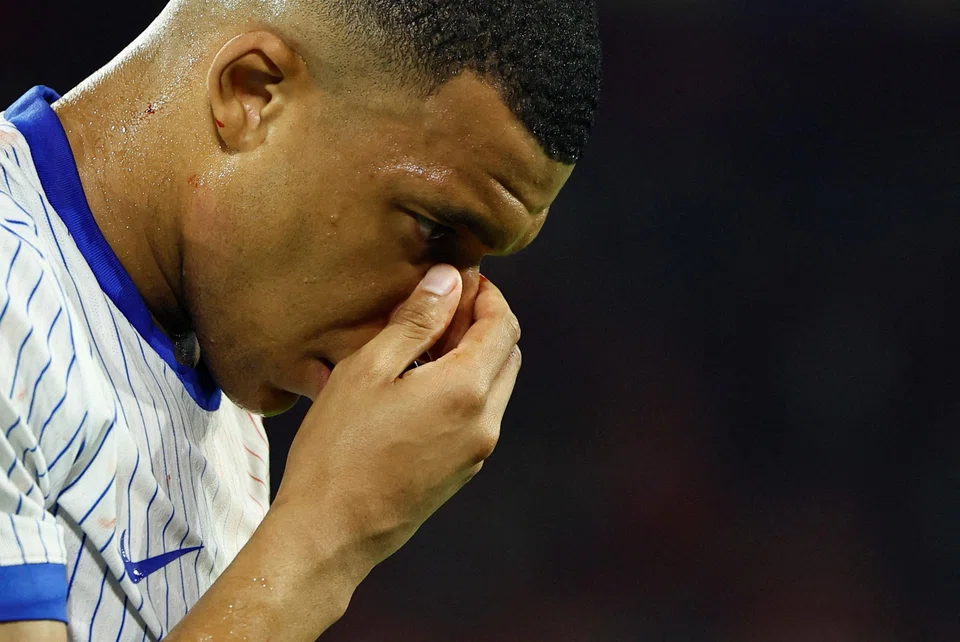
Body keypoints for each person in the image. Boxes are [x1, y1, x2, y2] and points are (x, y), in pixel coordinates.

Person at [0, 0, 601, 639]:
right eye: (433, 227)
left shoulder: (228, 396)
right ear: (252, 92)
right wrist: (326, 535)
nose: (442, 312)